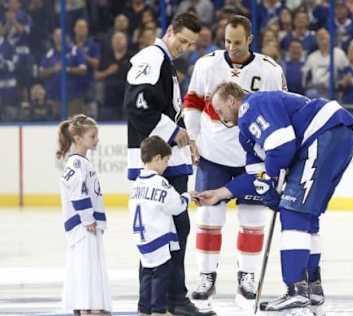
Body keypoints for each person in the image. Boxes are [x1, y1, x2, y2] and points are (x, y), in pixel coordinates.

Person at [196, 82, 353, 313]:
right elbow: (257, 176)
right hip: (335, 136)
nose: (222, 118)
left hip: (323, 135)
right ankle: (312, 289)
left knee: (293, 213)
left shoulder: (251, 107)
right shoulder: (247, 133)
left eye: (220, 111)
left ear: (232, 100)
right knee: (307, 219)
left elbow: (281, 147)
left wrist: (273, 183)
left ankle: (296, 291)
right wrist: (221, 193)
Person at [183, 14, 286, 307]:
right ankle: (206, 276)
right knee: (208, 217)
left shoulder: (269, 70)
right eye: (227, 41)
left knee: (253, 220)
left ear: (250, 39)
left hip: (252, 159)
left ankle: (247, 276)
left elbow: (280, 111)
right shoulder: (206, 64)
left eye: (238, 43)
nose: (231, 47)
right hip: (212, 156)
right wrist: (193, 139)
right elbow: (191, 102)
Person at [124, 13, 214, 316]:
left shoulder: (164, 60)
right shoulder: (152, 57)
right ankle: (168, 301)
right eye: (183, 40)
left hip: (167, 159)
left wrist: (182, 140)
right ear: (170, 31)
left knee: (170, 230)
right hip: (156, 161)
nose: (186, 47)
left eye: (191, 44)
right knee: (167, 230)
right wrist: (175, 134)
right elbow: (138, 106)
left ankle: (159, 302)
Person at [130, 136, 193, 316]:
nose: (166, 165)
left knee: (146, 274)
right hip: (159, 238)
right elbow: (177, 206)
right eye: (166, 161)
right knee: (161, 274)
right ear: (157, 158)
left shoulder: (136, 185)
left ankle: (143, 309)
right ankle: (158, 310)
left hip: (142, 238)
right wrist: (188, 196)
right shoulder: (160, 183)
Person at [56, 114, 112, 316]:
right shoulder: (77, 164)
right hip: (83, 225)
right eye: (93, 136)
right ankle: (88, 306)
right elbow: (77, 191)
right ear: (78, 139)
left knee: (85, 266)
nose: (97, 139)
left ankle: (87, 306)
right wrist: (88, 218)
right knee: (85, 267)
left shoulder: (80, 162)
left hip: (84, 224)